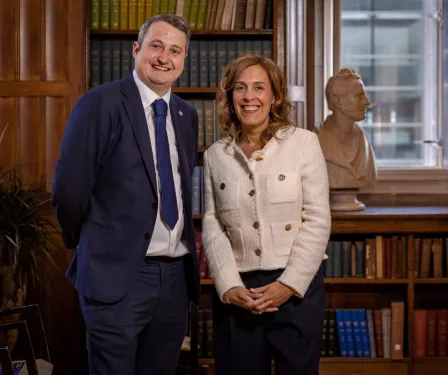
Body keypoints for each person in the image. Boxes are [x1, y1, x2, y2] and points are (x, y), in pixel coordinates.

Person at [52, 14, 200, 375]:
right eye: (156, 45)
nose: (165, 57)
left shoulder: (186, 114)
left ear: (183, 61)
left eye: (175, 50)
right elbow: (69, 190)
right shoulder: (99, 104)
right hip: (117, 278)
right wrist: (90, 244)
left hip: (174, 277)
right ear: (136, 49)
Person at [201, 55, 331, 375]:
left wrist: (288, 284)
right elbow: (212, 223)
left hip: (296, 289)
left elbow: (317, 218)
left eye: (259, 88)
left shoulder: (304, 143)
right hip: (239, 293)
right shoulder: (216, 155)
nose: (249, 97)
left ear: (275, 96)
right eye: (240, 88)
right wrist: (229, 285)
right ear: (230, 97)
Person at [314, 67, 377, 190]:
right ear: (338, 101)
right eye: (359, 96)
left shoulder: (363, 141)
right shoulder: (316, 141)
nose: (367, 102)